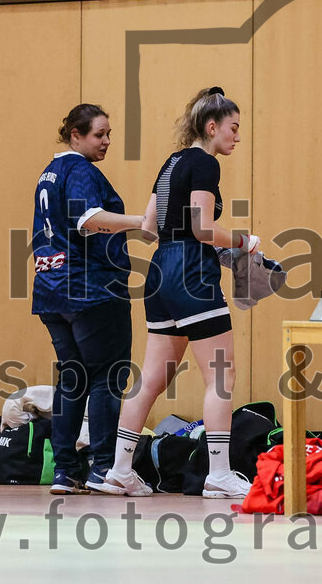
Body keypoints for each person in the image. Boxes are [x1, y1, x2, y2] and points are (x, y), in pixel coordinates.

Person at [89, 87, 260, 498]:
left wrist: (201, 242)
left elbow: (148, 226)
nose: (237, 136)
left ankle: (119, 470)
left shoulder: (172, 162)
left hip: (160, 274)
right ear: (212, 126)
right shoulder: (204, 163)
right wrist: (243, 241)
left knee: (150, 380)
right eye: (233, 128)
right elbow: (202, 227)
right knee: (221, 377)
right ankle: (219, 474)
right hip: (190, 275)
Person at [32, 104, 145, 494]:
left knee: (72, 378)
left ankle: (65, 471)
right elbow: (89, 219)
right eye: (99, 134)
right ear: (75, 135)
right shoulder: (80, 170)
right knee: (106, 377)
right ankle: (101, 467)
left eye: (109, 133)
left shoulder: (49, 173)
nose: (107, 141)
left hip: (50, 290)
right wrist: (141, 223)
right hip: (90, 289)